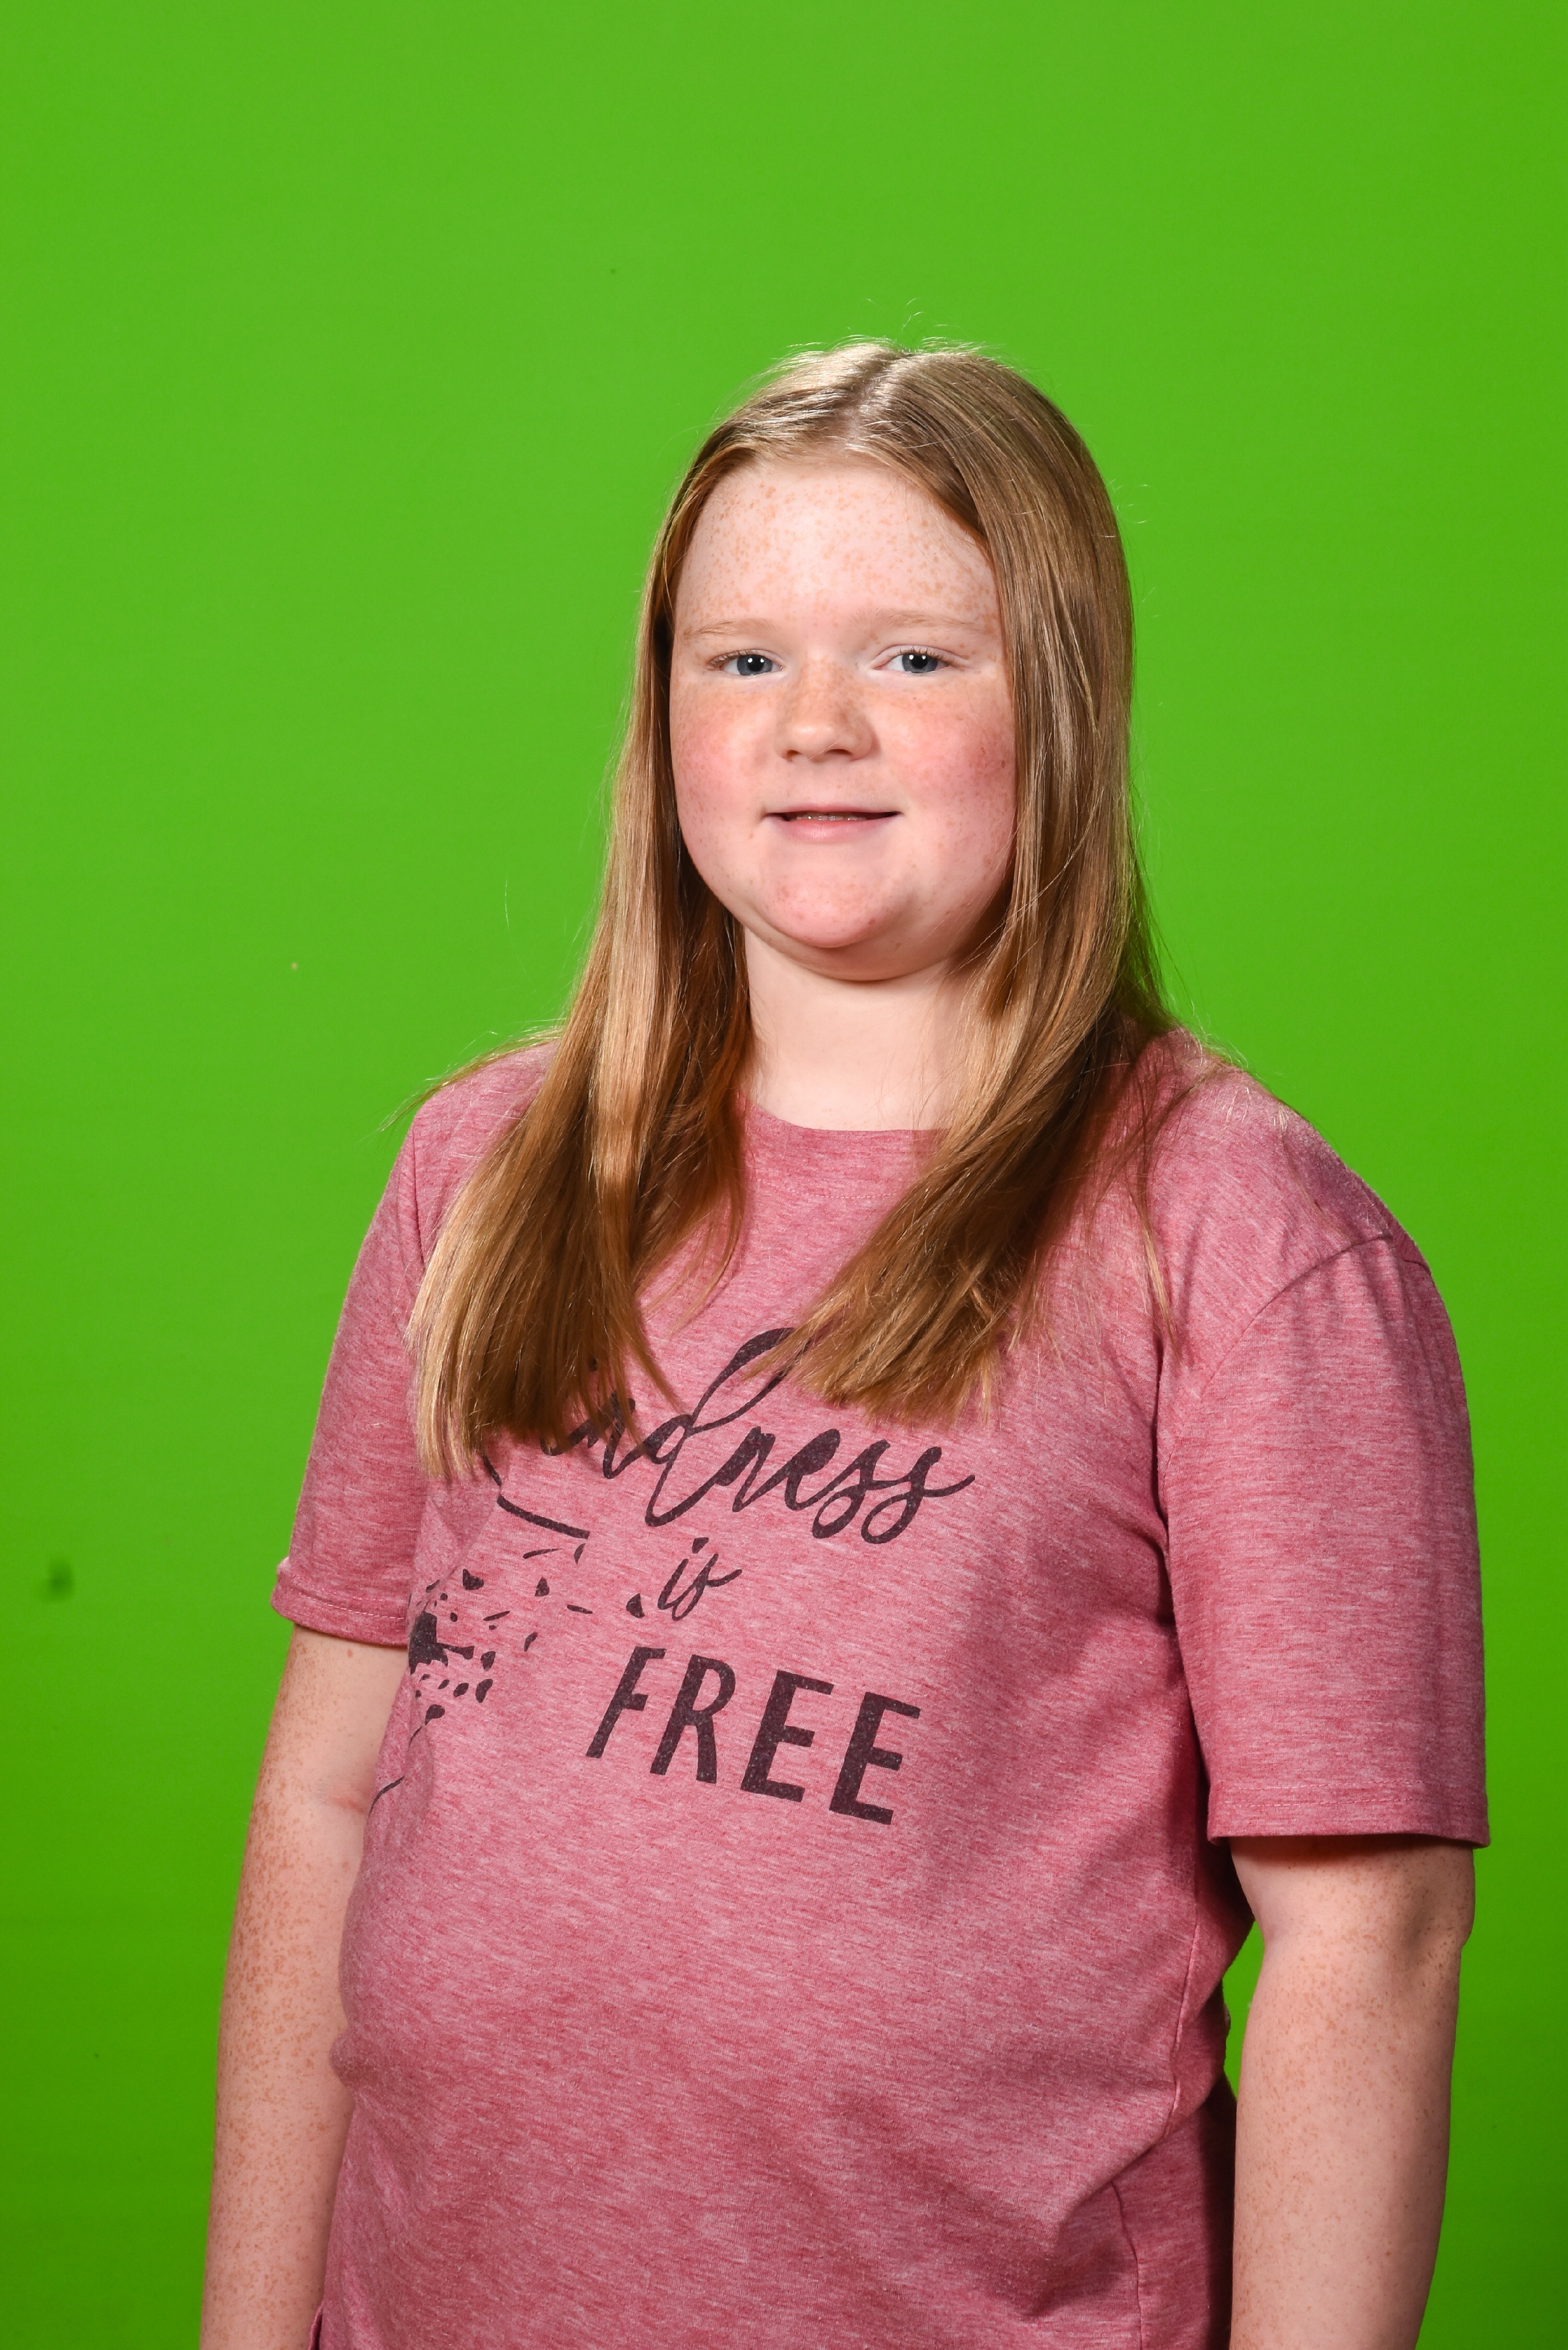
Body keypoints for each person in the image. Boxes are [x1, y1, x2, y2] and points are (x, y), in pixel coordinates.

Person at [200, 342, 1486, 2350]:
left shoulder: (1234, 1235)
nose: (814, 725)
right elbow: (326, 1800)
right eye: (740, 660)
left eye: (910, 657)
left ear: (1060, 697)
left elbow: (1366, 1941)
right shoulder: (485, 1170)